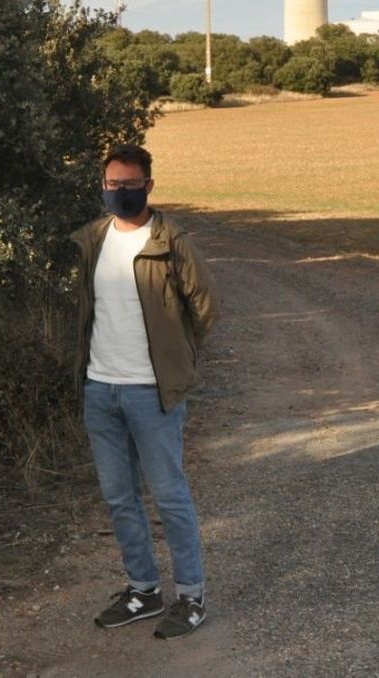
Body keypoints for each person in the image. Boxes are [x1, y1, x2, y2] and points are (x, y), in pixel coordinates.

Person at [71, 143, 219, 639]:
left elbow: (205, 309)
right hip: (100, 389)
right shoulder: (93, 239)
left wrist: (174, 360)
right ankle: (143, 590)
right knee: (119, 498)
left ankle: (191, 596)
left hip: (152, 393)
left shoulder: (171, 241)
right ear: (103, 185)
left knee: (170, 496)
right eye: (112, 184)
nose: (120, 192)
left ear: (149, 186)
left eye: (130, 185)